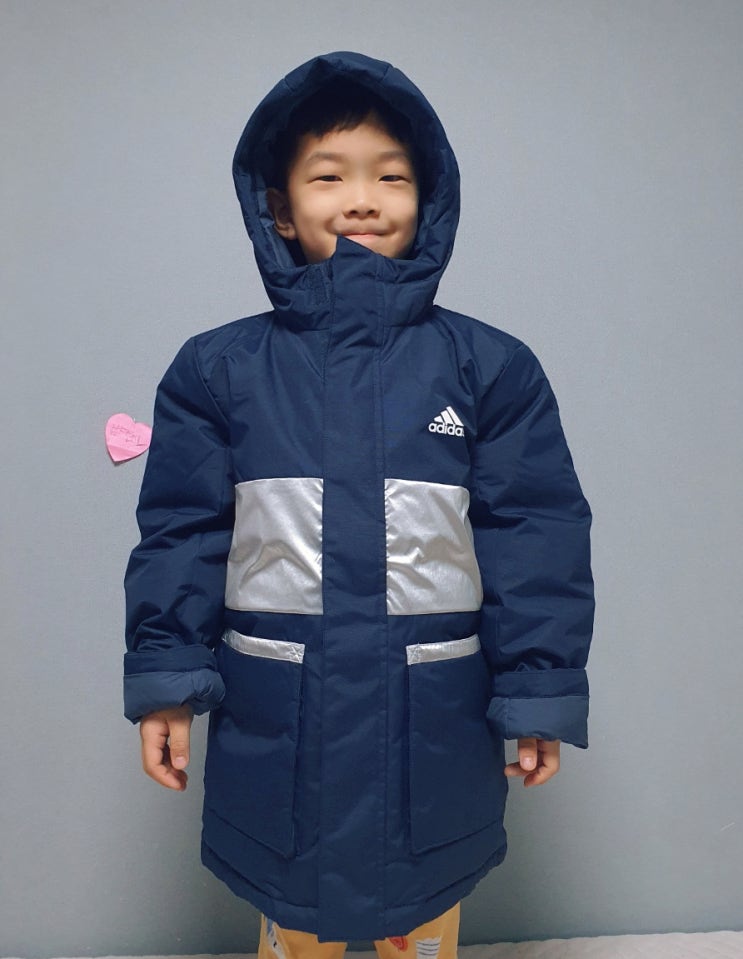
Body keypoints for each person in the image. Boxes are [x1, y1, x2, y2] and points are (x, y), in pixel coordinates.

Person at [124, 51, 594, 959]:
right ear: (278, 206)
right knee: (294, 915)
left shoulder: (489, 367)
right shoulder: (218, 369)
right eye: (329, 176)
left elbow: (534, 531)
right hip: (281, 714)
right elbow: (180, 530)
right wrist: (167, 682)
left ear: (431, 197)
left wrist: (537, 687)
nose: (363, 199)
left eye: (392, 176)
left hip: (430, 718)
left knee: (420, 916)